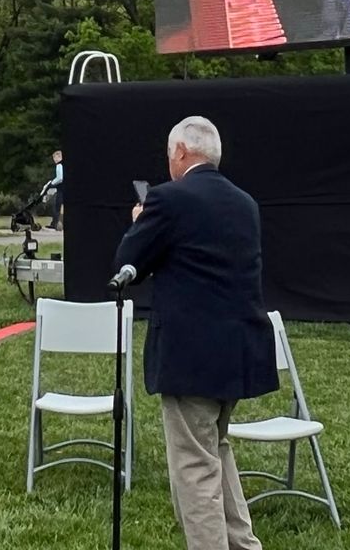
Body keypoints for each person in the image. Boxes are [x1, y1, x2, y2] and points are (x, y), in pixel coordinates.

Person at [113, 116, 277, 550]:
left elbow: (128, 260)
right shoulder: (245, 203)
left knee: (194, 467)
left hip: (191, 356)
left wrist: (139, 221)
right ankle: (244, 545)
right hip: (239, 351)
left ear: (181, 152)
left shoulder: (168, 199)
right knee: (216, 450)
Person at [46, 149, 64, 231]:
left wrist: (51, 183)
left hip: (61, 189)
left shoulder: (59, 165)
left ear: (59, 157)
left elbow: (60, 178)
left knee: (57, 206)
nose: (54, 160)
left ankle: (55, 223)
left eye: (55, 158)